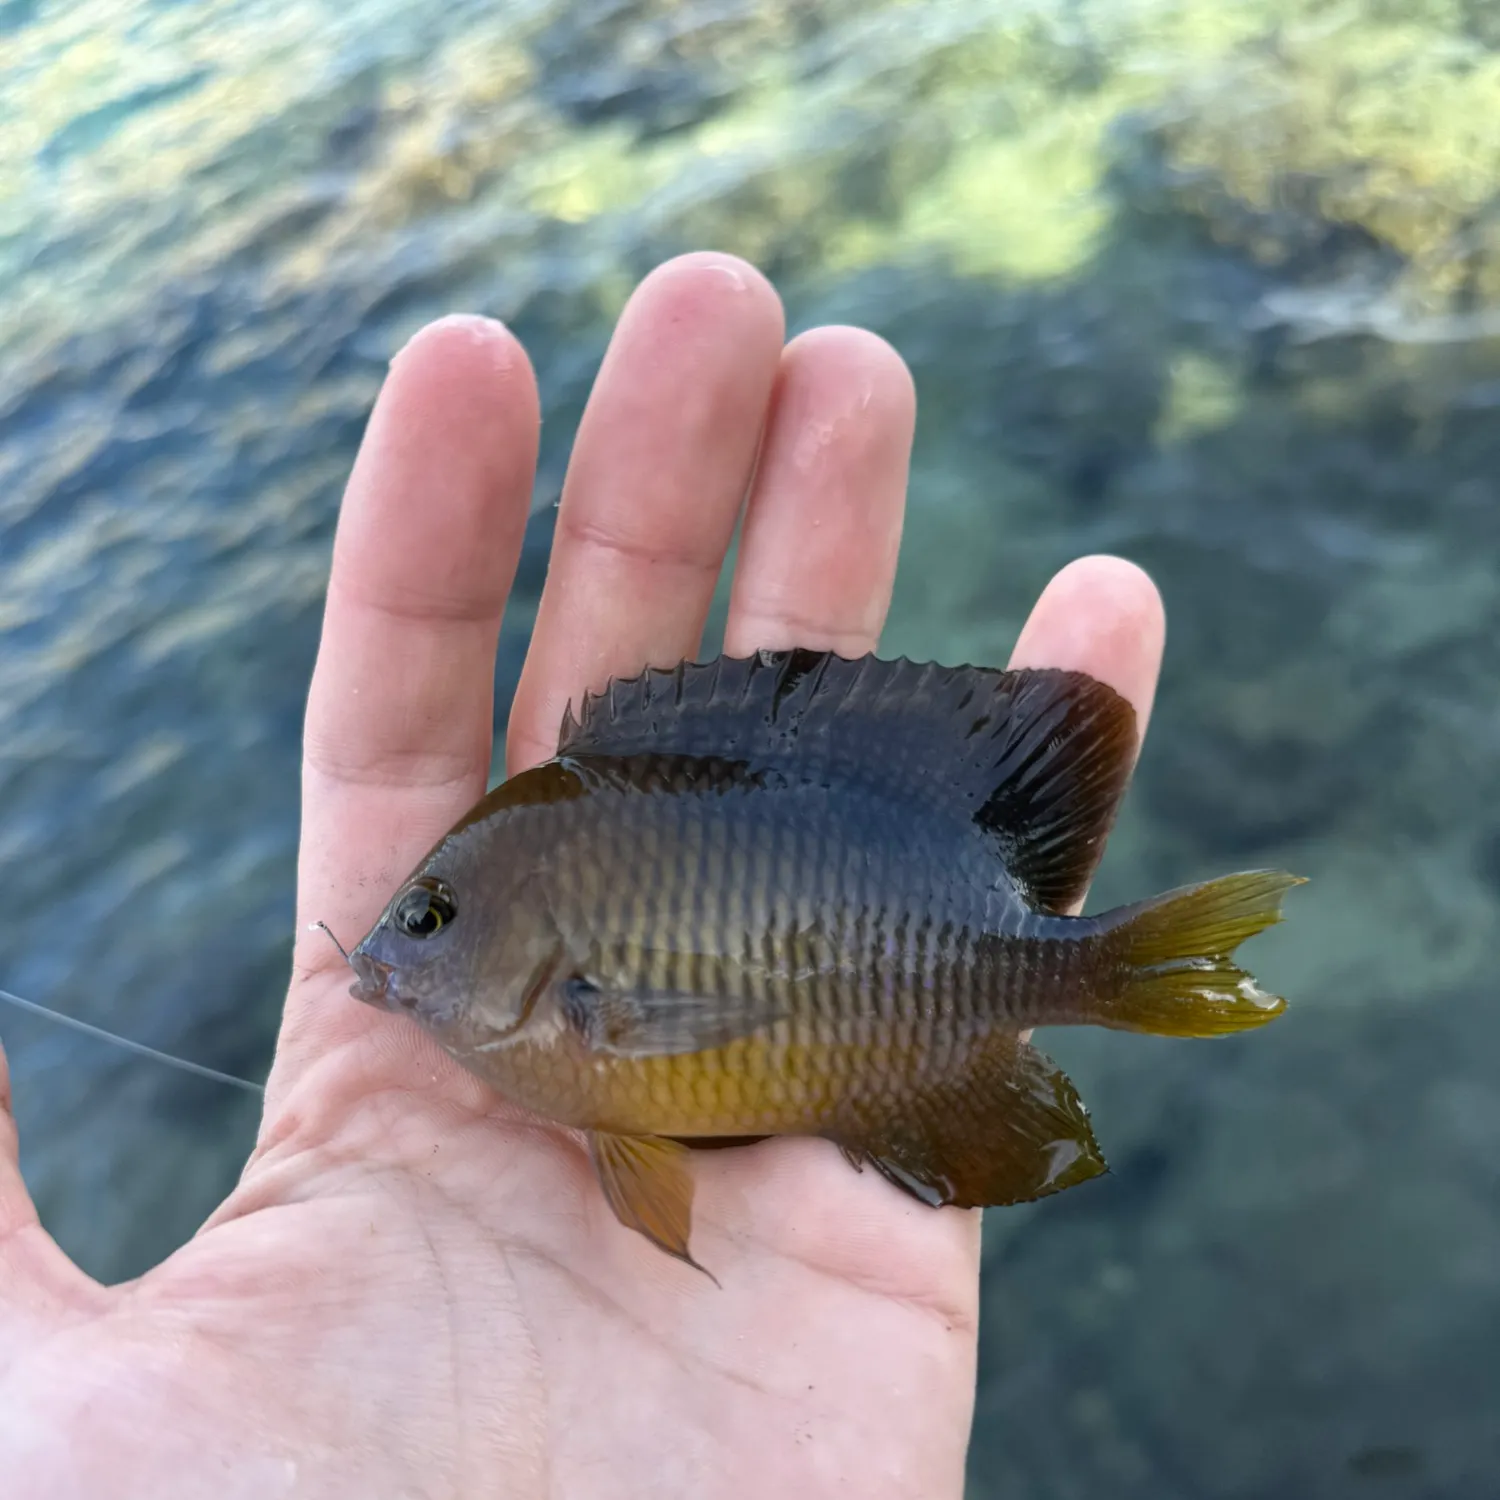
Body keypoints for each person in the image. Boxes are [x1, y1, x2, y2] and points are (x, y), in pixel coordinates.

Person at [0, 252, 1164, 1497]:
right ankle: (1124, 975)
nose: (391, 952)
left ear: (547, 961)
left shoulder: (561, 1004)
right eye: (420, 916)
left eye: (429, 916)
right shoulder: (551, 978)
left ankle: (1116, 974)